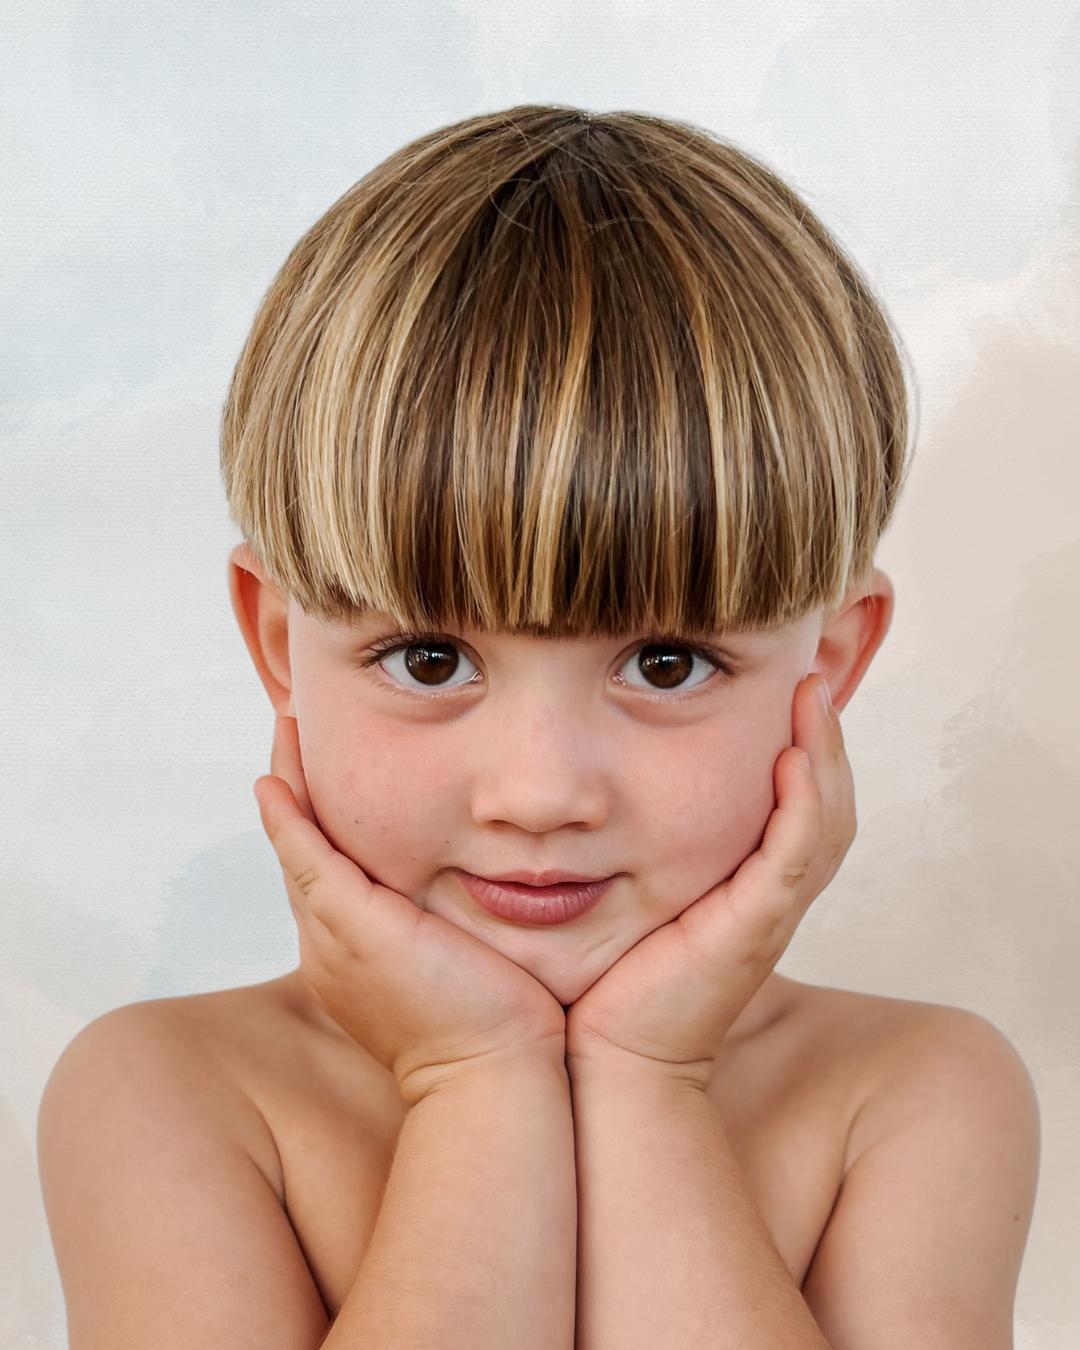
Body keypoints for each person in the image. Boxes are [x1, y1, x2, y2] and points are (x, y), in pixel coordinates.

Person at [36, 105, 1040, 1349]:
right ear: (275, 643)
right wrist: (476, 1082)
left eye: (666, 665)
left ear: (825, 670)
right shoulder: (172, 1097)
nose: (541, 791)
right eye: (431, 658)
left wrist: (646, 1082)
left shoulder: (913, 1097)